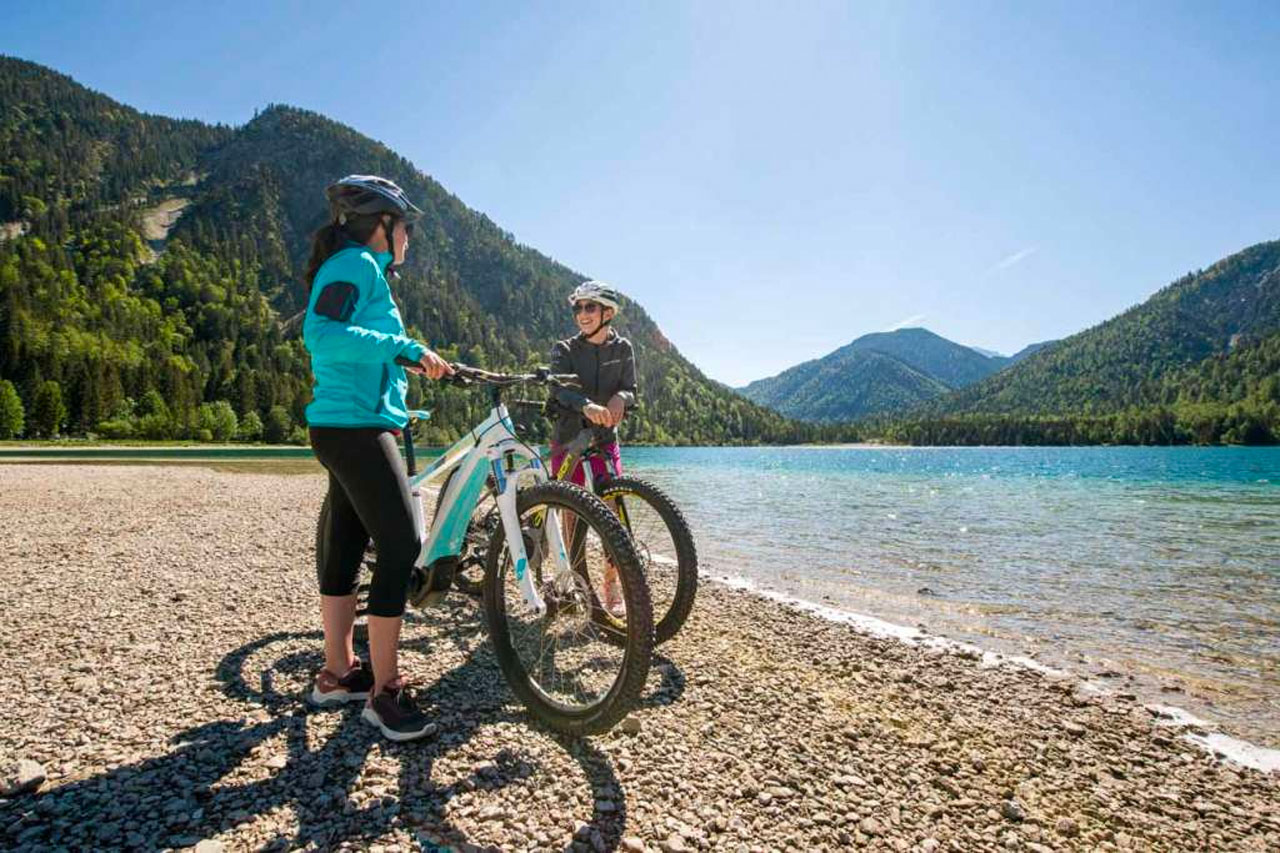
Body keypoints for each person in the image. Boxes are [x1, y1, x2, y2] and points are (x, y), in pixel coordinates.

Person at [302, 174, 453, 741]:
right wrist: (404, 347)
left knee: (345, 546)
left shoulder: (357, 269)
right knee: (401, 545)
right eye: (406, 227)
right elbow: (322, 334)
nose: (409, 238)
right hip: (356, 429)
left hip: (345, 426)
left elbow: (356, 344)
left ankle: (338, 674)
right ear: (383, 226)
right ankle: (383, 693)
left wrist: (407, 367)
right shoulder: (355, 266)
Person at [547, 280, 637, 614]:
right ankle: (575, 584)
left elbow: (631, 388)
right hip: (569, 439)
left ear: (607, 313)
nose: (582, 314)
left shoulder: (623, 348)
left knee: (614, 514)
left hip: (604, 440)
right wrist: (585, 405)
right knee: (571, 514)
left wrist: (621, 397)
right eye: (578, 308)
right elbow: (558, 390)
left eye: (590, 307)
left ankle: (612, 588)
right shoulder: (564, 349)